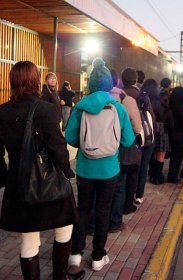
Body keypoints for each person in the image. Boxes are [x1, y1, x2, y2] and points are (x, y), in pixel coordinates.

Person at [0, 61, 76, 280]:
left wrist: (3, 177)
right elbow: (57, 147)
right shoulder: (46, 109)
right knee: (64, 229)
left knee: (29, 239)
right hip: (49, 178)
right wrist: (66, 170)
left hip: (19, 183)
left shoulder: (1, 112)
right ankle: (60, 277)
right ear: (36, 80)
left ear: (13, 81)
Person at [65, 58, 135, 272]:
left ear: (90, 84)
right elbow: (128, 140)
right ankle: (97, 257)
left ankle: (75, 254)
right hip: (109, 170)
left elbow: (70, 136)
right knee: (103, 211)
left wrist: (86, 145)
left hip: (86, 168)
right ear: (109, 84)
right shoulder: (118, 108)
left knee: (83, 209)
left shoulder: (81, 107)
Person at [108, 69, 142, 233]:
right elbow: (136, 127)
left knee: (94, 191)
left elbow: (72, 136)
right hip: (119, 150)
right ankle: (114, 222)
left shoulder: (86, 101)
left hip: (91, 156)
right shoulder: (125, 100)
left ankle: (91, 225)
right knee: (119, 185)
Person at [136, 79, 158, 204]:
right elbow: (154, 119)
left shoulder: (137, 96)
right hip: (149, 137)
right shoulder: (156, 99)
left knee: (135, 166)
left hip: (138, 135)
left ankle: (131, 193)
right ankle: (139, 195)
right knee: (144, 166)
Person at [151, 77, 172, 185]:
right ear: (169, 85)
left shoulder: (156, 94)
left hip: (155, 126)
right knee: (161, 154)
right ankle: (157, 177)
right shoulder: (165, 96)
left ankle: (153, 175)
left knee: (155, 153)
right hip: (162, 127)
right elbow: (165, 113)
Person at [167, 86, 183, 183]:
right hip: (180, 135)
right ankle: (173, 177)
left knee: (173, 156)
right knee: (178, 156)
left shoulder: (171, 105)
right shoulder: (181, 107)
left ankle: (171, 175)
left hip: (171, 133)